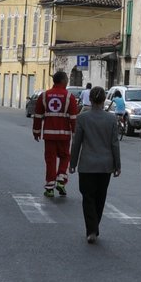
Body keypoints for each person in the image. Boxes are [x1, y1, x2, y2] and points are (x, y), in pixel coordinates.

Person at [69, 87, 121, 244]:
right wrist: (117, 165)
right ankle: (94, 226)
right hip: (105, 165)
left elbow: (76, 142)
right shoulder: (112, 119)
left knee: (88, 197)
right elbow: (115, 144)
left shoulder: (82, 118)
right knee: (100, 197)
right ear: (104, 99)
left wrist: (72, 163)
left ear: (90, 99)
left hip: (87, 165)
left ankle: (91, 229)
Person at [31, 70, 82, 198]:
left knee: (50, 160)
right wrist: (76, 134)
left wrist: (36, 132)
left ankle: (49, 187)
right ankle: (61, 179)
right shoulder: (69, 97)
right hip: (64, 135)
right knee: (65, 157)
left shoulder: (44, 96)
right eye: (67, 80)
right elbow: (73, 118)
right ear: (63, 81)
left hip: (48, 135)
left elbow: (37, 116)